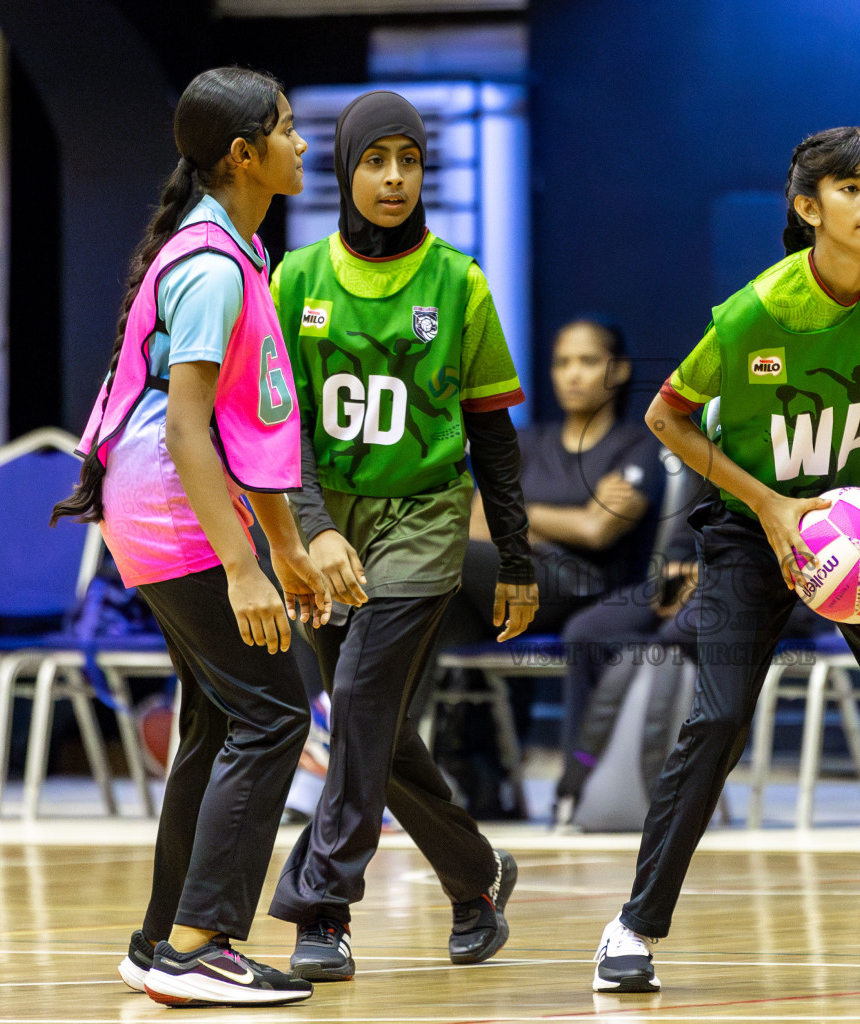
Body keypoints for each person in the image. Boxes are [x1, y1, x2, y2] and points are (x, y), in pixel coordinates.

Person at [589, 126, 860, 993]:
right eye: (853, 189)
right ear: (806, 206)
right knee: (716, 721)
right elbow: (667, 418)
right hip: (752, 532)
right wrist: (771, 504)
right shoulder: (756, 311)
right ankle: (629, 929)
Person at [51, 66, 327, 1007]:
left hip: (163, 518)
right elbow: (185, 427)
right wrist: (246, 569)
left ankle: (160, 938)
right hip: (178, 518)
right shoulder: (212, 266)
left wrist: (284, 546)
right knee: (277, 711)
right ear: (244, 155)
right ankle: (203, 945)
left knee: (220, 719)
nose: (301, 144)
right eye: (287, 129)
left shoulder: (225, 249)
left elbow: (255, 427)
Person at [263, 90, 533, 981]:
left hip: (424, 516)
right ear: (345, 169)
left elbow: (493, 431)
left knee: (367, 705)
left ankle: (322, 903)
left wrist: (518, 559)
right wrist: (304, 531)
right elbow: (277, 425)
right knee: (367, 723)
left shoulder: (459, 281)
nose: (392, 179)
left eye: (408, 161)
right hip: (322, 524)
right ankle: (475, 873)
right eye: (375, 161)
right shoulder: (293, 278)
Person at [438, 317, 663, 652]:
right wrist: (563, 522)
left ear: (619, 370)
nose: (573, 374)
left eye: (588, 361)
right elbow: (478, 523)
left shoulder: (638, 445)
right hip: (506, 577)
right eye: (562, 363)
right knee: (440, 603)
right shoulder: (526, 442)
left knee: (438, 552)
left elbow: (596, 531)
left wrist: (512, 518)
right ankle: (442, 704)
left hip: (581, 586)